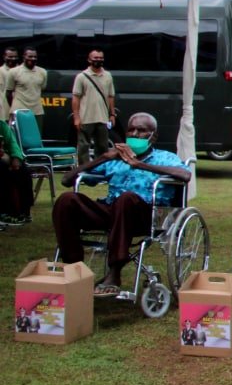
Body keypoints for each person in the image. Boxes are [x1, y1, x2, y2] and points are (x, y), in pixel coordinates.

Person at [52, 112, 191, 295]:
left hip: (146, 213)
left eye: (141, 131)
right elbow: (66, 180)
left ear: (153, 136)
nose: (135, 134)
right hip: (111, 210)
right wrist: (104, 158)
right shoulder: (115, 161)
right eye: (131, 130)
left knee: (126, 198)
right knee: (66, 200)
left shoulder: (165, 157)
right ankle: (73, 268)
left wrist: (140, 165)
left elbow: (185, 175)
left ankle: (115, 272)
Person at [72, 48, 116, 165]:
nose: (98, 60)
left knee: (102, 146)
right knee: (83, 146)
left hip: (102, 118)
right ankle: (84, 171)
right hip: (86, 117)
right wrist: (76, 117)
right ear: (89, 60)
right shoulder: (81, 76)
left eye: (101, 58)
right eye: (95, 58)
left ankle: (100, 170)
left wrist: (112, 114)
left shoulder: (108, 76)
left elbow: (111, 96)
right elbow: (76, 98)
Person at [0, 117, 33, 225]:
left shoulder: (2, 126)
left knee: (24, 171)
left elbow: (13, 144)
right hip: (2, 160)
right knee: (3, 171)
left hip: (6, 158)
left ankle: (24, 211)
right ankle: (4, 213)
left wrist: (16, 158)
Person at [8, 47, 47, 132]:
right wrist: (14, 105)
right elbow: (8, 93)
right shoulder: (13, 72)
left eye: (35, 57)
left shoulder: (43, 72)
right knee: (17, 137)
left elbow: (41, 89)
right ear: (24, 57)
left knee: (35, 137)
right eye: (30, 56)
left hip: (37, 112)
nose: (33, 59)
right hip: (19, 111)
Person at [0, 47, 19, 123]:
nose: (13, 59)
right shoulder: (1, 71)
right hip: (5, 110)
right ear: (4, 57)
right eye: (10, 57)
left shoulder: (21, 70)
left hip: (20, 109)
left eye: (15, 57)